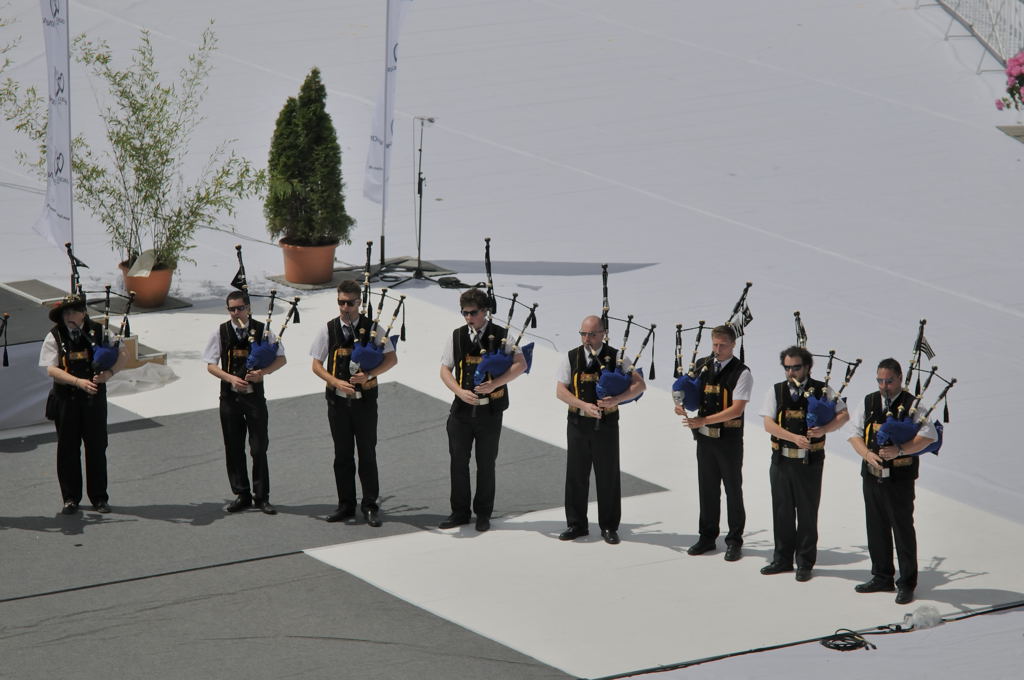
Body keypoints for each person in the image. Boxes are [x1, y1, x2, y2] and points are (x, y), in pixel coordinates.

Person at [847, 358, 936, 605]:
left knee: (902, 529)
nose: (884, 386)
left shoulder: (913, 405)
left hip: (899, 479)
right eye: (880, 381)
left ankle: (907, 583)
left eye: (889, 381)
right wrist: (867, 454)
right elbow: (854, 434)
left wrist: (900, 450)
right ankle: (881, 576)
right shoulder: (869, 401)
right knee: (875, 526)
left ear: (900, 379)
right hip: (872, 475)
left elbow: (929, 435)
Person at [439, 288, 526, 532]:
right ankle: (459, 512)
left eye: (473, 313)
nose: (469, 318)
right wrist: (459, 391)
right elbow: (445, 369)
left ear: (485, 311)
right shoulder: (457, 336)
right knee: (458, 462)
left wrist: (496, 384)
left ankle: (483, 513)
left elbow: (521, 364)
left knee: (486, 464)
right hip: (462, 411)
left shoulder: (502, 335)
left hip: (489, 412)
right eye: (465, 313)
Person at [311, 280, 397, 527]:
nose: (345, 307)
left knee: (367, 454)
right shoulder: (329, 329)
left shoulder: (373, 328)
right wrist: (334, 381)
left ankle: (370, 505)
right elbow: (316, 364)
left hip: (365, 403)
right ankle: (345, 505)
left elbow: (391, 358)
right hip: (338, 403)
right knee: (342, 454)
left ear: (359, 302)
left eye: (350, 303)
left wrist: (369, 375)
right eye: (341, 302)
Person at [758, 346, 849, 581]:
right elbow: (768, 424)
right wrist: (793, 437)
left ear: (807, 367)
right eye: (787, 368)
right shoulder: (776, 390)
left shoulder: (822, 389)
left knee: (807, 512)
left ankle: (805, 562)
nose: (791, 372)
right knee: (782, 511)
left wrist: (824, 429)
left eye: (796, 367)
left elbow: (843, 414)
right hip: (782, 459)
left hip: (810, 462)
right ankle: (782, 558)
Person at [555, 314, 645, 545]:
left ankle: (609, 526)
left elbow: (639, 384)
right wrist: (583, 405)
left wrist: (617, 399)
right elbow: (561, 391)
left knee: (608, 475)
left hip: (606, 425)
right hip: (577, 422)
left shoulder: (617, 356)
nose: (587, 339)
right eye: (583, 334)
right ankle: (576, 524)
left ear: (603, 334)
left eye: (592, 334)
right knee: (576, 474)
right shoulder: (572, 356)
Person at [204, 290, 286, 515]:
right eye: (231, 309)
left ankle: (262, 496)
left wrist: (262, 373)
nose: (236, 313)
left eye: (240, 308)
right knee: (233, 447)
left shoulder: (263, 330)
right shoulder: (220, 331)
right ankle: (242, 493)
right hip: (230, 398)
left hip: (254, 398)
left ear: (249, 308)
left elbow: (281, 358)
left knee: (259, 448)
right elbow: (211, 364)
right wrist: (230, 378)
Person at [39, 294, 122, 515]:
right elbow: (51, 369)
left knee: (96, 447)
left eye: (73, 312)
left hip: (93, 400)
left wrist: (109, 373)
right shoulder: (55, 335)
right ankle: (70, 498)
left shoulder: (100, 331)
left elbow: (121, 354)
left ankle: (99, 497)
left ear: (83, 313)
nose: (69, 316)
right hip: (66, 399)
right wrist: (78, 382)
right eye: (65, 313)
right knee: (67, 448)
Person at [678, 324, 752, 561]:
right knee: (707, 488)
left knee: (732, 489)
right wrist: (681, 404)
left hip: (729, 440)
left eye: (723, 345)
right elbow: (691, 393)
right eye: (715, 345)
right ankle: (707, 536)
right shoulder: (703, 365)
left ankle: (734, 540)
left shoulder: (742, 372)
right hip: (705, 439)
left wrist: (704, 420)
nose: (717, 350)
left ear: (733, 345)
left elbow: (736, 409)